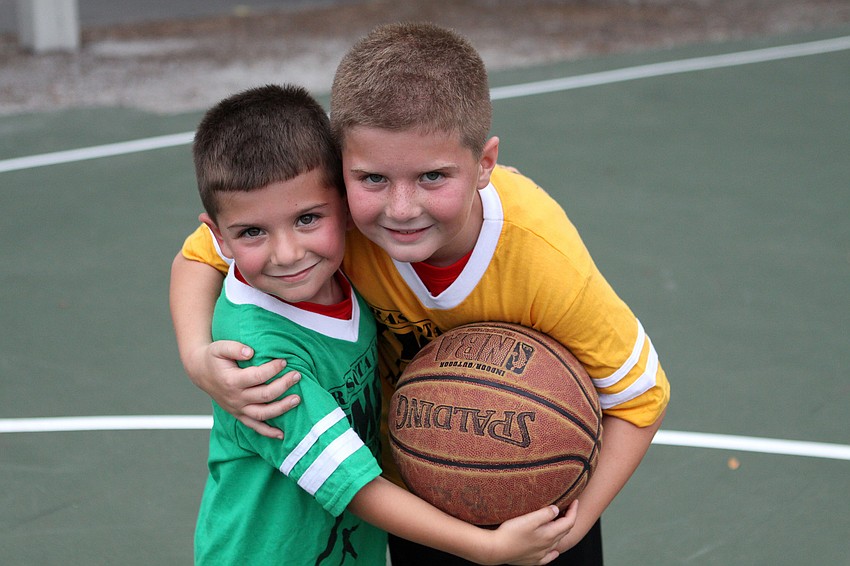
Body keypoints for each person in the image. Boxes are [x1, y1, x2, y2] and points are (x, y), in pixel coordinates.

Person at [171, 23, 670, 566]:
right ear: (340, 170)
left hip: (538, 498)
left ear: (485, 164)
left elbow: (643, 394)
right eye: (373, 179)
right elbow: (201, 254)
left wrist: (570, 529)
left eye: (433, 176)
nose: (401, 208)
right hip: (414, 484)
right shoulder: (319, 225)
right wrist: (198, 358)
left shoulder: (542, 260)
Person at [186, 83, 575, 566]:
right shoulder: (259, 359)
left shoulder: (344, 269)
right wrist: (489, 548)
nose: (286, 254)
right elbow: (356, 487)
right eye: (252, 233)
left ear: (346, 205)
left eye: (307, 219)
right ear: (218, 236)